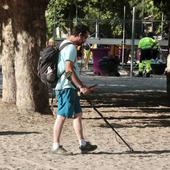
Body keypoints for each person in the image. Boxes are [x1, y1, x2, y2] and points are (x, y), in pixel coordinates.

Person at [52, 24, 97, 155]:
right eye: (85, 38)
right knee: (61, 115)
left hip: (69, 86)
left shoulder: (64, 44)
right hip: (66, 87)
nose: (85, 41)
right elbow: (68, 70)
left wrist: (79, 85)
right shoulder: (70, 47)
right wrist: (81, 87)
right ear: (79, 35)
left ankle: (83, 144)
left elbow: (68, 72)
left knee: (78, 114)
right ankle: (56, 145)